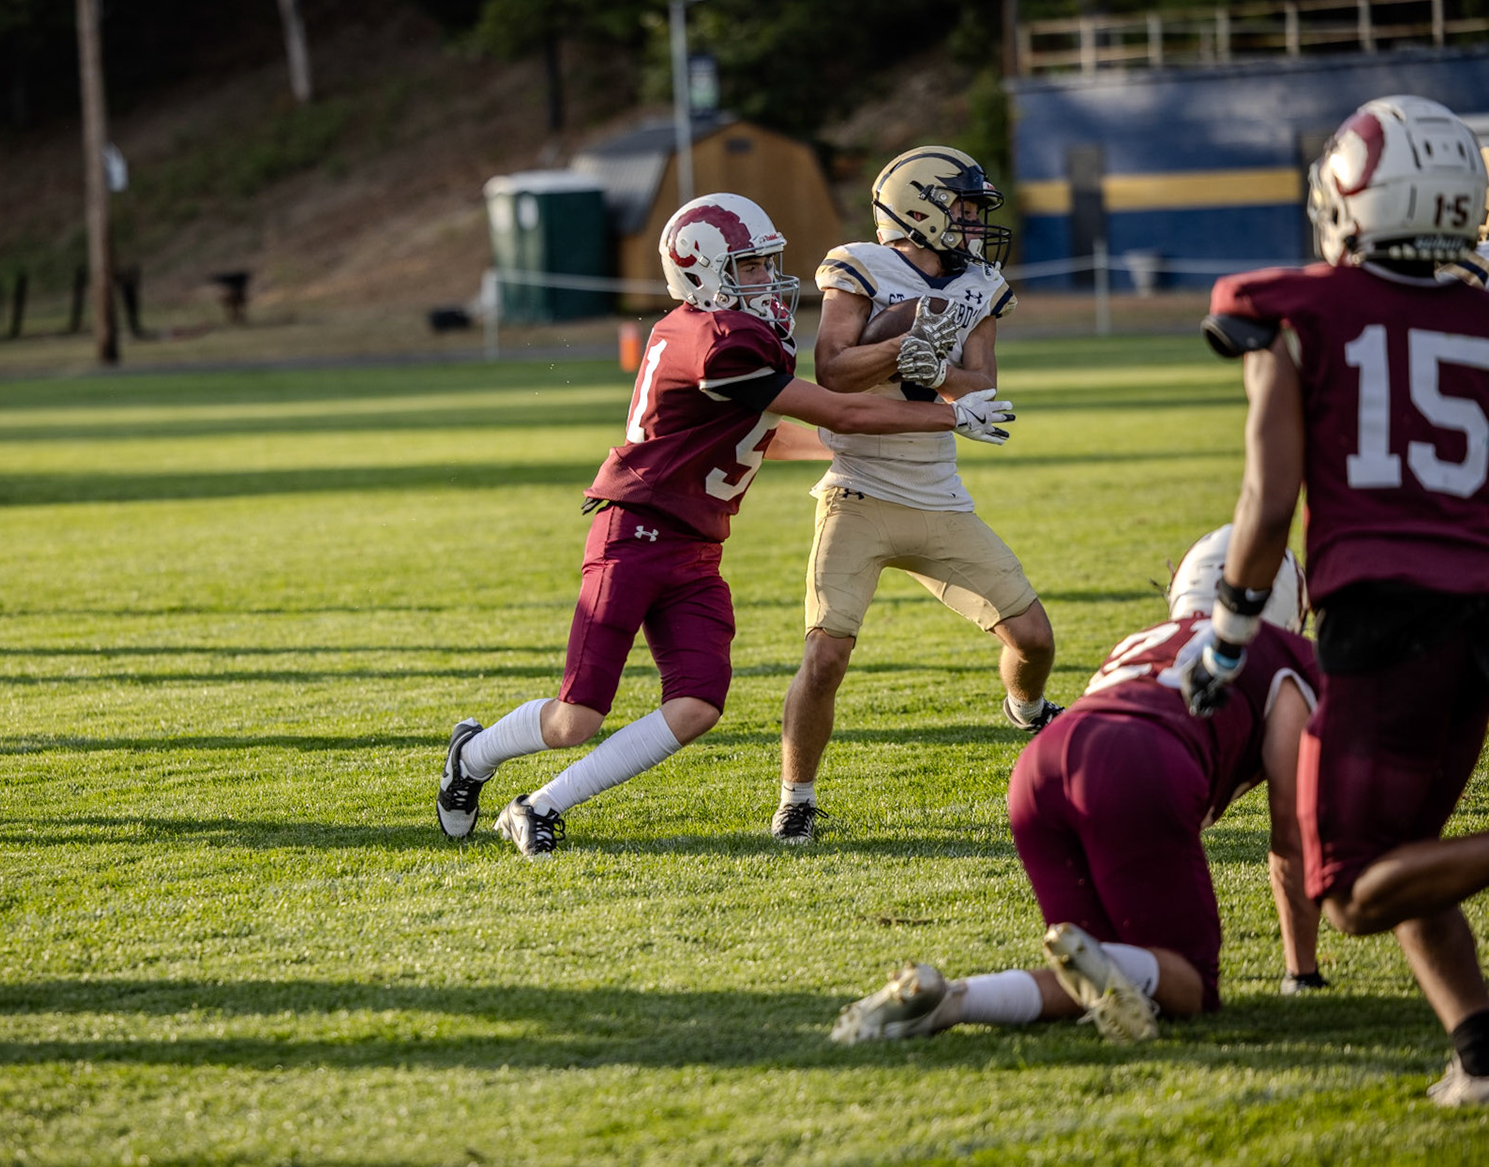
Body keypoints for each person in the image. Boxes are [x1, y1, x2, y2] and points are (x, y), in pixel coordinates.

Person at [435, 192, 1017, 857]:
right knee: (576, 717)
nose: (766, 280)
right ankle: (472, 755)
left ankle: (540, 807)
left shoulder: (724, 333)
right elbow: (840, 410)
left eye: (766, 264)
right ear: (700, 270)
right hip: (635, 535)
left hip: (695, 544)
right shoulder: (719, 339)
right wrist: (950, 415)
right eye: (747, 268)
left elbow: (759, 433)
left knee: (697, 705)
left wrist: (853, 451)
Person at [1182, 94, 1489, 1106]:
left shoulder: (1293, 307)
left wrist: (1230, 631)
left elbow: (1270, 500)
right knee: (1410, 858)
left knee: (1351, 888)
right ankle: (1479, 1058)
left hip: (1390, 618)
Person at [833, 527, 1322, 1045]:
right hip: (1136, 764)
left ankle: (947, 999)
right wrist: (1302, 971)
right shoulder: (1285, 654)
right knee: (1191, 984)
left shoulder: (1141, 640)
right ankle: (953, 999)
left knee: (1106, 977)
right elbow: (1291, 833)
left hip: (1041, 767)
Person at [771, 146, 1057, 845]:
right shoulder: (860, 265)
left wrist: (944, 369)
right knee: (825, 656)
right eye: (962, 205)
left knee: (1035, 640)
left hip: (939, 497)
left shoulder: (981, 281)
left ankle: (1025, 710)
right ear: (919, 205)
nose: (971, 221)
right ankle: (795, 797)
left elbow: (980, 383)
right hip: (859, 493)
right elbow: (833, 370)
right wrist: (904, 344)